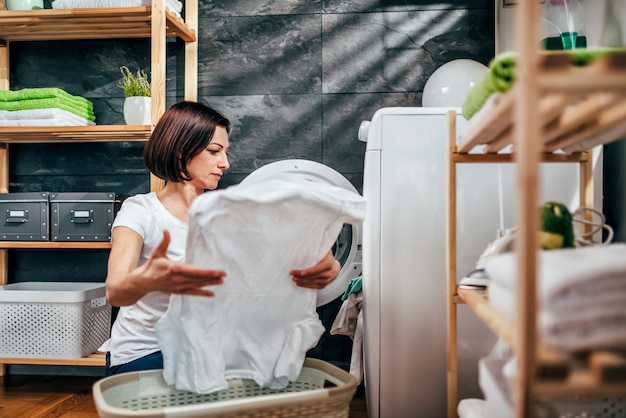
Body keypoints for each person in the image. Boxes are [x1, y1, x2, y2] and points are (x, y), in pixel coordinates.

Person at [101, 101, 340, 376]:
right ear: (181, 152)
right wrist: (147, 281)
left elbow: (303, 240)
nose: (225, 163)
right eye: (214, 151)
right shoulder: (141, 210)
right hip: (145, 352)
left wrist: (328, 264)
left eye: (225, 152)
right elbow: (116, 290)